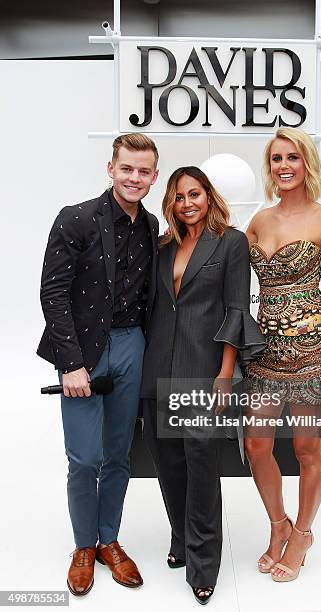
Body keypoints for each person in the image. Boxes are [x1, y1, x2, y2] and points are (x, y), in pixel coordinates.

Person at [37, 133, 159, 596]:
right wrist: (70, 364)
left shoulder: (150, 227)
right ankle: (83, 546)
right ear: (111, 169)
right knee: (84, 458)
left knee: (118, 457)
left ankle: (109, 540)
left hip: (133, 345)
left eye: (143, 171)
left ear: (153, 176)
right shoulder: (77, 218)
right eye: (126, 168)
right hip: (84, 350)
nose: (134, 177)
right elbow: (53, 292)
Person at [140, 166, 265, 605]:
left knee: (202, 467)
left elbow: (235, 310)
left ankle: (203, 562)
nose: (187, 203)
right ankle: (181, 539)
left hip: (203, 371)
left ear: (208, 196)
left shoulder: (231, 243)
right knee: (169, 465)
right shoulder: (162, 247)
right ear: (170, 204)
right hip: (157, 370)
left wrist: (225, 374)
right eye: (179, 197)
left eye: (194, 194)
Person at [244, 127, 321, 582]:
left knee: (307, 449)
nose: (284, 166)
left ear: (307, 162)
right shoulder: (258, 221)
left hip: (311, 351)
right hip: (264, 353)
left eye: (292, 157)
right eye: (276, 159)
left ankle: (303, 534)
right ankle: (278, 525)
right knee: (256, 445)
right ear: (268, 168)